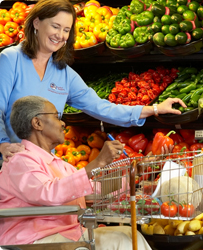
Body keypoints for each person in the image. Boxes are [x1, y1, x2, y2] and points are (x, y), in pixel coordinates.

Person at [0, 0, 186, 163]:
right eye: (55, 26)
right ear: (37, 23)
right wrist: (3, 145)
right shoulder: (11, 59)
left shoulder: (63, 73)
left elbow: (101, 107)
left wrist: (154, 109)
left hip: (44, 165)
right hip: (10, 162)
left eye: (66, 30)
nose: (60, 35)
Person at [0, 95, 152, 250]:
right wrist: (97, 163)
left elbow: (92, 190)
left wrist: (133, 176)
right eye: (57, 117)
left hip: (66, 233)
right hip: (32, 240)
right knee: (122, 240)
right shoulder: (20, 160)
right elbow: (49, 193)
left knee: (130, 234)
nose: (63, 123)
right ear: (37, 123)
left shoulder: (57, 163)